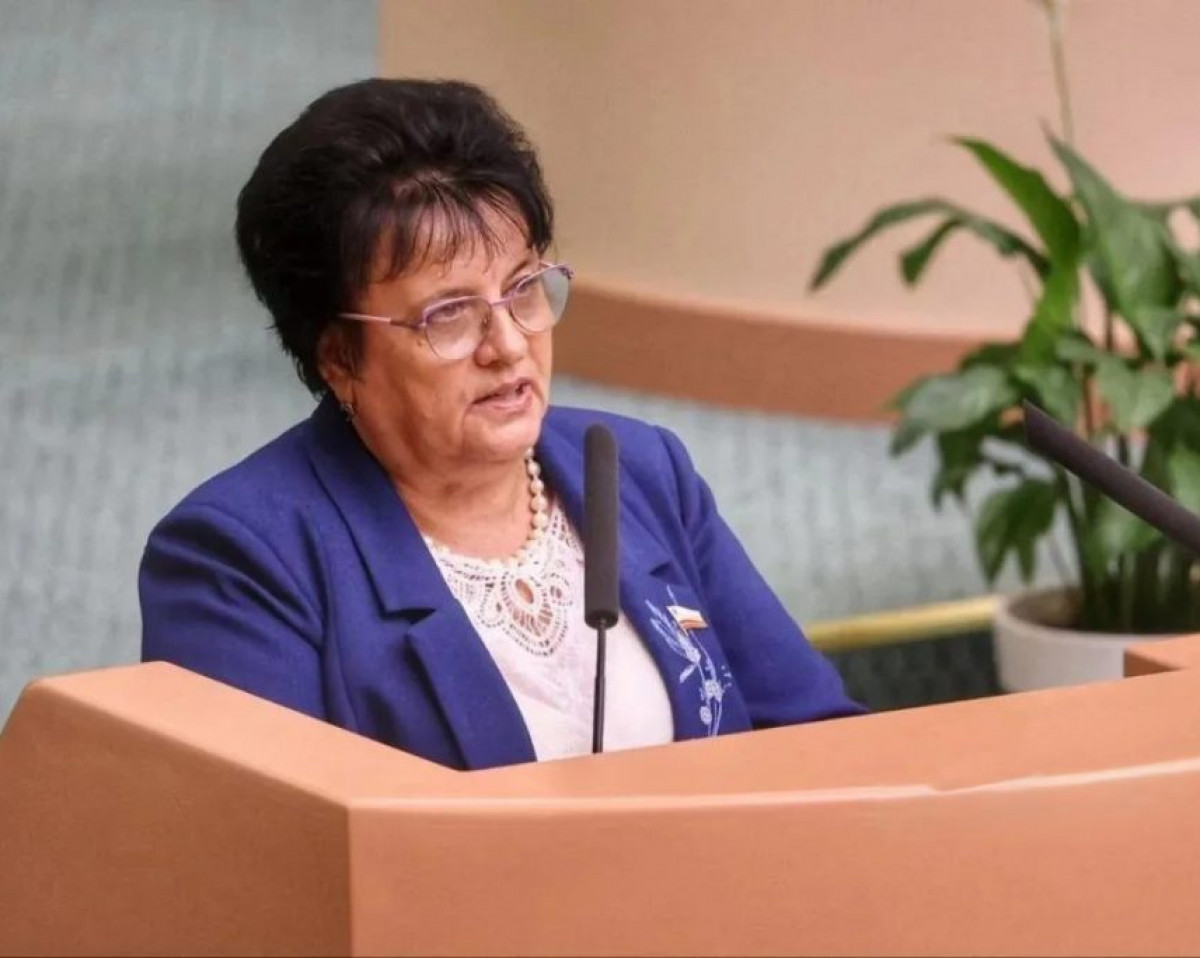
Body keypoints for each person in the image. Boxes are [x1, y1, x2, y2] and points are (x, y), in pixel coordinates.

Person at [138, 78, 864, 771]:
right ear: (338, 356)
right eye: (450, 315)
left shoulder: (638, 468)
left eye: (524, 289)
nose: (509, 345)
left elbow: (817, 740)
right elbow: (266, 843)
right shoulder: (242, 559)